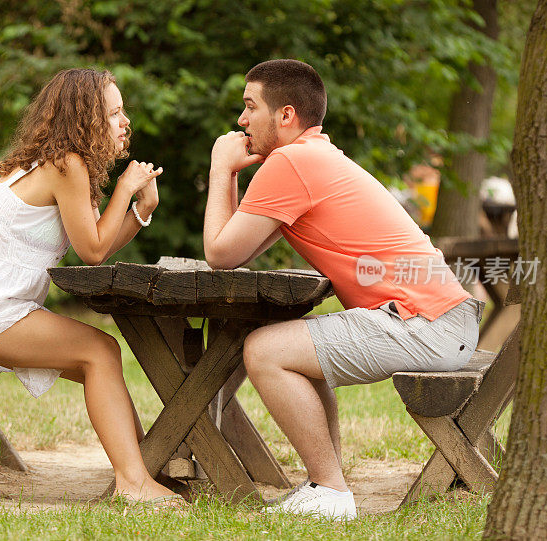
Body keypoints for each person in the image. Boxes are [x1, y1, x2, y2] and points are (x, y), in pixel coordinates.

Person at [203, 59, 482, 520]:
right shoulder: (311, 158)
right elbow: (236, 248)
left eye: (250, 107)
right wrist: (232, 175)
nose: (241, 120)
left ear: (286, 115)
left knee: (265, 350)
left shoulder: (292, 162)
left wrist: (221, 168)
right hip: (439, 321)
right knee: (291, 348)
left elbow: (219, 253)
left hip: (426, 324)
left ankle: (330, 492)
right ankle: (324, 487)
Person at [0, 68, 183, 507]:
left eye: (122, 112)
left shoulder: (58, 163)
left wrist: (140, 211)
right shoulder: (67, 165)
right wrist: (125, 189)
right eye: (114, 113)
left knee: (99, 358)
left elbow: (93, 242)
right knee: (100, 352)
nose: (125, 122)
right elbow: (95, 251)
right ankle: (134, 480)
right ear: (86, 119)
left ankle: (143, 467)